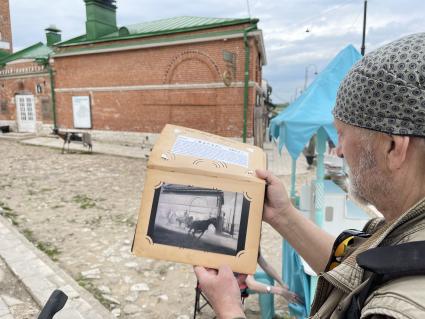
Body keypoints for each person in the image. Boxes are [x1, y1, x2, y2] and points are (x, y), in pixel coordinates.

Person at [194, 32, 425, 319]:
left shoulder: (397, 309)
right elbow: (353, 267)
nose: (338, 151)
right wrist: (282, 214)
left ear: (393, 147)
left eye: (341, 135)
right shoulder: (407, 229)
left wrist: (228, 308)